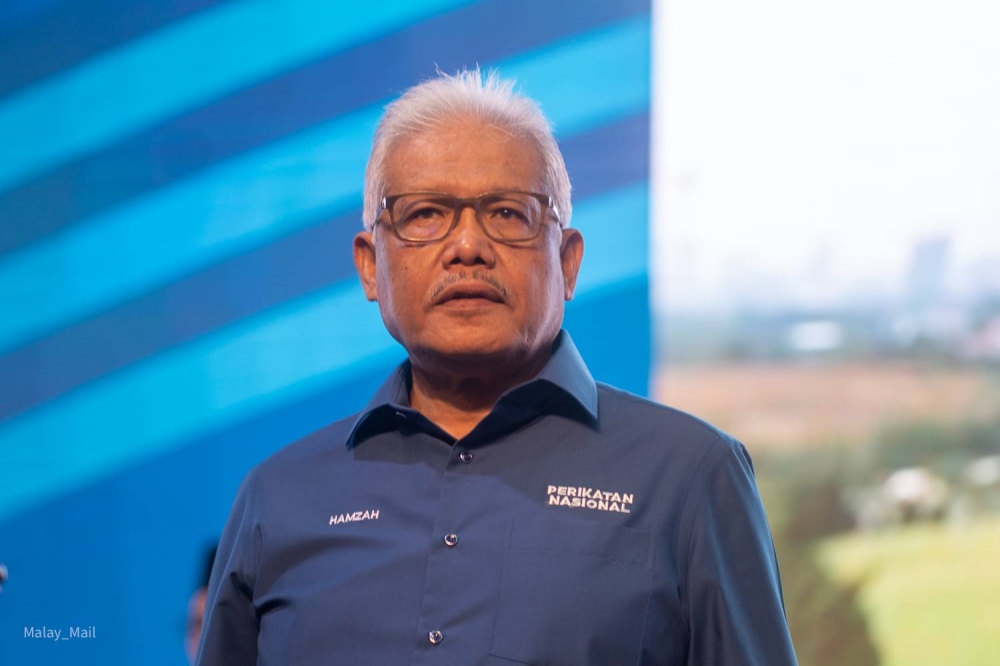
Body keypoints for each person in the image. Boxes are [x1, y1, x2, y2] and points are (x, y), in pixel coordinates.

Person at [196, 68, 798, 666]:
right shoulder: (277, 500)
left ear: (567, 262)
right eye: (425, 213)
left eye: (508, 214)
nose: (467, 247)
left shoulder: (690, 478)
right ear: (369, 265)